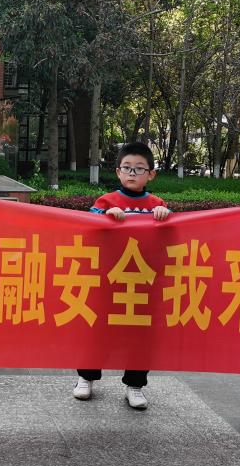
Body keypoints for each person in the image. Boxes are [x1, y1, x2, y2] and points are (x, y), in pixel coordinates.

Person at [73, 141, 171, 410]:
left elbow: (172, 233)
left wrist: (166, 216)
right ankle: (86, 377)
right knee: (98, 330)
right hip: (109, 280)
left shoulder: (157, 204)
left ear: (151, 174)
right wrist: (106, 216)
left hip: (143, 282)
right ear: (118, 172)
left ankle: (135, 385)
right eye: (127, 167)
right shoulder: (107, 201)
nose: (132, 173)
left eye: (139, 168)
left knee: (141, 335)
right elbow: (89, 225)